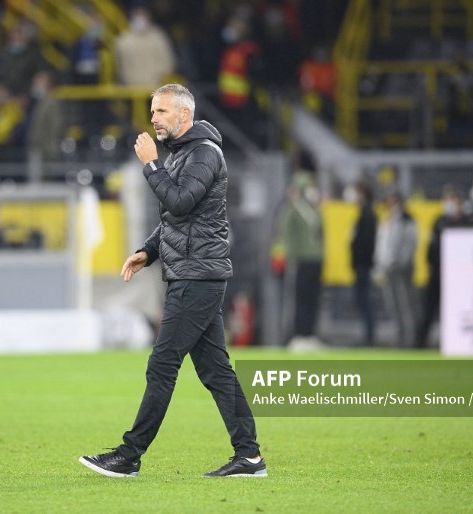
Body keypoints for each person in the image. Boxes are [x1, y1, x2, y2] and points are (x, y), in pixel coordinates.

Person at [79, 84, 265, 478]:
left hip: (198, 276)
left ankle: (129, 455)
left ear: (184, 115)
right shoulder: (183, 154)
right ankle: (249, 457)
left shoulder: (203, 154)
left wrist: (150, 165)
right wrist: (149, 250)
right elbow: (178, 219)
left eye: (161, 111)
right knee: (216, 371)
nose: (154, 119)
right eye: (152, 111)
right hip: (193, 273)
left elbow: (179, 201)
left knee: (162, 364)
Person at [415, 185, 467, 348]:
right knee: (428, 310)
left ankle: (454, 342)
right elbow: (430, 247)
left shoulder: (466, 222)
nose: (448, 203)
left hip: (457, 275)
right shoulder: (439, 221)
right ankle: (419, 344)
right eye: (446, 200)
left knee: (454, 312)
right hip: (437, 272)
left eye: (452, 200)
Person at [279, 165, 324, 348]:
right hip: (300, 261)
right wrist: (292, 257)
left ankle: (311, 333)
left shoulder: (315, 210)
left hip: (315, 261)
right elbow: (287, 235)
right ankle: (299, 335)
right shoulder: (293, 210)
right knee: (300, 299)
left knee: (314, 298)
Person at [374, 189, 417, 347]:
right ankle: (399, 338)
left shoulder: (406, 219)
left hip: (401, 270)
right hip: (387, 269)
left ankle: (410, 340)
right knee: (393, 306)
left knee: (405, 306)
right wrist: (380, 265)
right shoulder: (386, 219)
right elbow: (382, 244)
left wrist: (400, 263)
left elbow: (410, 244)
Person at [113, 6, 175, 87]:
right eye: (138, 16)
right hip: (131, 88)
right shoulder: (123, 40)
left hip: (156, 85)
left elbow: (168, 61)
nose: (140, 20)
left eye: (143, 16)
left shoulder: (158, 36)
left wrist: (160, 78)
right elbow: (119, 66)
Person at [349, 180, 377, 346]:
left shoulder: (367, 214)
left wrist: (360, 260)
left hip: (363, 265)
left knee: (365, 300)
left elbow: (366, 243)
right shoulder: (364, 213)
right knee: (362, 300)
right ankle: (367, 334)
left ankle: (369, 336)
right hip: (361, 264)